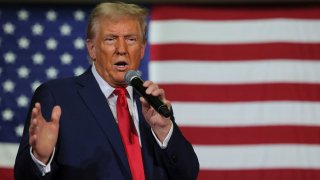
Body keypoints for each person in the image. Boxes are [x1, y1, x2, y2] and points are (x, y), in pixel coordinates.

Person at [14, 2, 199, 180]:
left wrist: (164, 130)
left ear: (142, 49)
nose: (121, 49)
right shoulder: (57, 96)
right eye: (110, 39)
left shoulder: (152, 103)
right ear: (92, 48)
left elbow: (188, 174)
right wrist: (40, 158)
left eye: (131, 39)